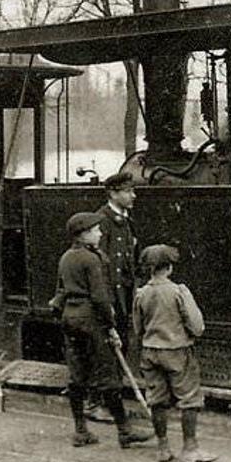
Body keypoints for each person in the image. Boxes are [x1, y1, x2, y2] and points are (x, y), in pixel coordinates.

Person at [54, 211, 151, 449]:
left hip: (70, 317)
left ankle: (80, 431)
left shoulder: (66, 257)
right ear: (84, 234)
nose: (99, 233)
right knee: (109, 375)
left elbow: (60, 292)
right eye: (96, 230)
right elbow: (100, 297)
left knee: (77, 376)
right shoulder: (91, 259)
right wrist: (111, 327)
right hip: (92, 319)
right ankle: (124, 431)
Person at [131, 244, 216, 462]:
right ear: (169, 268)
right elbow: (197, 326)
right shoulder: (179, 291)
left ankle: (163, 447)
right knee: (189, 399)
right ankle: (190, 448)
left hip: (150, 351)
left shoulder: (141, 294)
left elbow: (138, 328)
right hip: (177, 351)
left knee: (157, 399)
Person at [87, 171, 139, 423]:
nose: (133, 195)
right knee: (105, 350)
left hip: (123, 295)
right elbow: (100, 267)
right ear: (113, 193)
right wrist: (106, 303)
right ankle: (96, 403)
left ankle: (112, 402)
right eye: (128, 191)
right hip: (110, 296)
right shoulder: (103, 221)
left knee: (120, 346)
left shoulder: (125, 220)